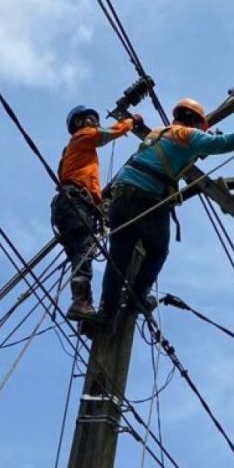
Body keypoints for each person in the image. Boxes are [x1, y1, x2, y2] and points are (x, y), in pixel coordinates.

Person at [95, 97, 234, 324]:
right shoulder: (187, 134)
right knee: (157, 251)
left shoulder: (158, 133)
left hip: (121, 198)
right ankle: (136, 299)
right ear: (195, 121)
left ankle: (105, 314)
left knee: (118, 259)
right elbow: (223, 143)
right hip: (146, 198)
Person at [51, 105, 138, 321]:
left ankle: (84, 304)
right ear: (79, 122)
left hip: (67, 205)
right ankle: (81, 302)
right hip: (74, 202)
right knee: (84, 250)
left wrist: (99, 204)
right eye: (90, 119)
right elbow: (107, 134)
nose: (95, 124)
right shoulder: (83, 136)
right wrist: (131, 122)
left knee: (80, 255)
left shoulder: (74, 153)